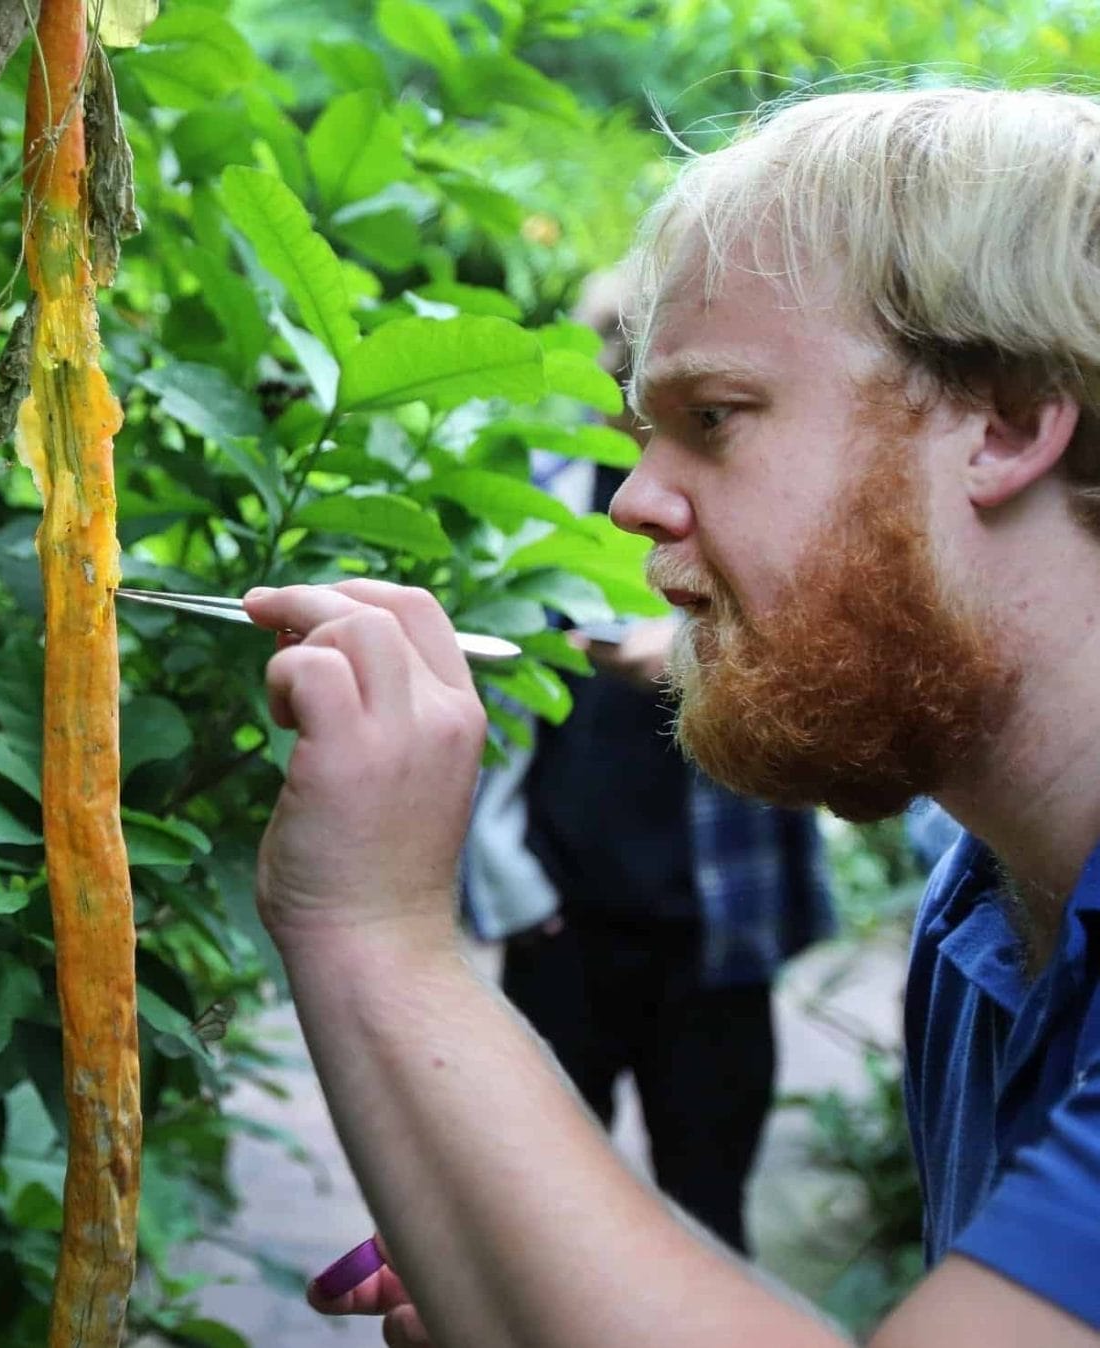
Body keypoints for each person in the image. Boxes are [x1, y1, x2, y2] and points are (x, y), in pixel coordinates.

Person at [242, 86, 1100, 1347]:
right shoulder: (985, 914)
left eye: (714, 418)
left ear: (1010, 423)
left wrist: (372, 926)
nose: (637, 500)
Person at [465, 272, 832, 1253]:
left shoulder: (767, 495)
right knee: (536, 1213)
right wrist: (515, 892)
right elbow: (497, 701)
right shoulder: (551, 492)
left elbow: (825, 666)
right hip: (566, 919)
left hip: (714, 925)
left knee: (707, 1209)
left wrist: (680, 660)